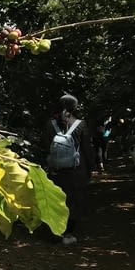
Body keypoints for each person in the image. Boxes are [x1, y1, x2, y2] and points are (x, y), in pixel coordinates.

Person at [41, 94, 95, 245]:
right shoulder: (80, 124)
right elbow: (87, 148)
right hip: (77, 170)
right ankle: (69, 234)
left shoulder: (50, 124)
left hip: (57, 170)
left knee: (58, 199)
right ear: (75, 107)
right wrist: (91, 167)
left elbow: (46, 146)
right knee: (74, 201)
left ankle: (56, 230)